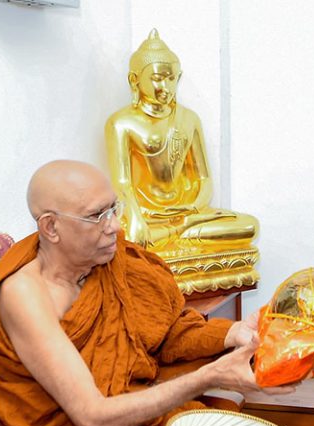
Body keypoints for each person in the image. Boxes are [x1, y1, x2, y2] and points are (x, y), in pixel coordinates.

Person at [0, 160, 291, 426]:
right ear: (51, 227)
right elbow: (92, 417)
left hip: (133, 412)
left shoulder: (110, 260)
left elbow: (164, 331)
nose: (114, 225)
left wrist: (234, 332)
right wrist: (208, 377)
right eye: (97, 216)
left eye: (114, 209)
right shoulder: (25, 295)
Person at [105, 29, 258, 256]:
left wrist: (193, 209)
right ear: (134, 80)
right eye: (157, 78)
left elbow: (204, 179)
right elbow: (122, 183)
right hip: (148, 216)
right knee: (127, 237)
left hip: (188, 213)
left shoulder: (189, 119)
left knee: (248, 226)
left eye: (171, 78)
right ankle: (178, 234)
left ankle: (178, 232)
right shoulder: (121, 123)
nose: (166, 87)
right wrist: (135, 217)